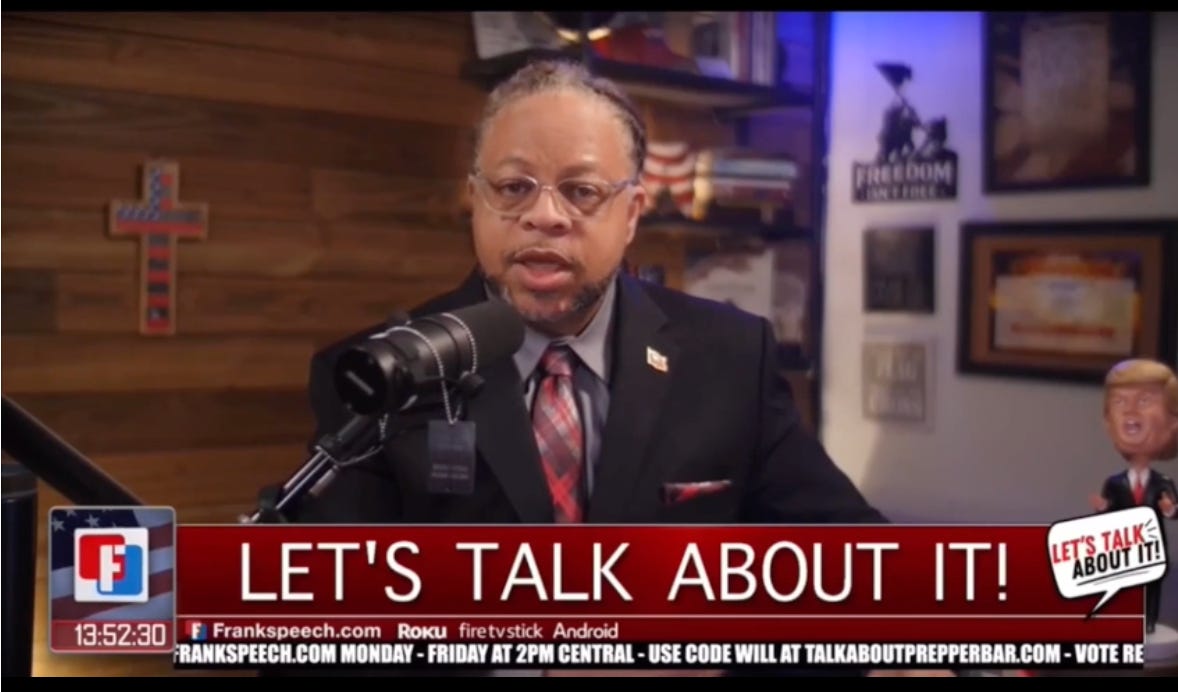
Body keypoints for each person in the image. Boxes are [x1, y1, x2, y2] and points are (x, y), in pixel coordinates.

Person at [284, 59, 945, 677]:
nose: (544, 216)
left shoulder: (731, 357)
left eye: (582, 191)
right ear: (476, 200)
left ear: (631, 214)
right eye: (513, 188)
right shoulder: (378, 374)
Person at [1089, 358, 1178, 635]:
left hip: (1152, 547)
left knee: (1150, 587)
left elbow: (1174, 510)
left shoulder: (1162, 483)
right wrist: (1103, 509)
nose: (1130, 411)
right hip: (1122, 548)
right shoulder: (1115, 483)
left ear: (1173, 421)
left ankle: (1147, 622)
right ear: (1107, 422)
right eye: (1119, 402)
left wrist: (1169, 509)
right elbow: (1108, 513)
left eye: (1144, 401)